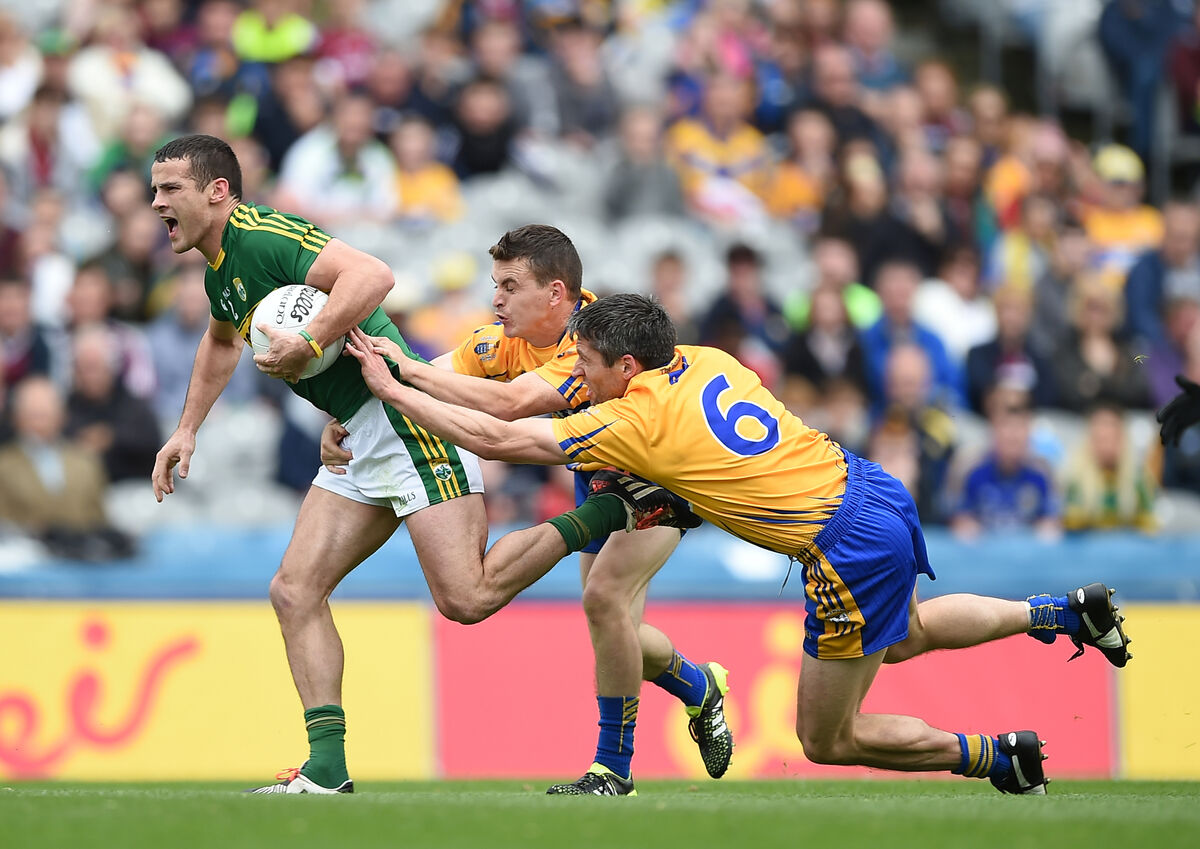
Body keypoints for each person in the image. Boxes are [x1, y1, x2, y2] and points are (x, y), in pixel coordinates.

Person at [344, 293, 1133, 796]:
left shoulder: (633, 419)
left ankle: (999, 756)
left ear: (627, 364)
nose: (574, 376)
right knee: (907, 634)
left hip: (841, 546)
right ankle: (1064, 612)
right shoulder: (710, 359)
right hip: (872, 488)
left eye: (585, 363)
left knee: (827, 738)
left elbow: (497, 436)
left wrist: (392, 388)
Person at [148, 136, 696, 795]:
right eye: (155, 190)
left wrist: (312, 342)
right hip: (362, 426)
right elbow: (219, 343)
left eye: (170, 189)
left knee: (467, 598)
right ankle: (326, 769)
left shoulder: (263, 235)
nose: (156, 203)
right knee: (293, 590)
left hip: (406, 422)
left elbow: (373, 276)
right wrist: (187, 429)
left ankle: (604, 512)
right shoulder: (220, 272)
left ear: (217, 191)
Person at [321, 225, 734, 793]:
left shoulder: (589, 343)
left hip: (658, 477)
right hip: (597, 476)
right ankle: (698, 687)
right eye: (496, 285)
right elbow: (440, 374)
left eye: (510, 287)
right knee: (617, 629)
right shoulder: (501, 342)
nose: (497, 299)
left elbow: (510, 404)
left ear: (556, 293)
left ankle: (613, 769)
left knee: (604, 602)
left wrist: (405, 372)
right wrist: (353, 418)